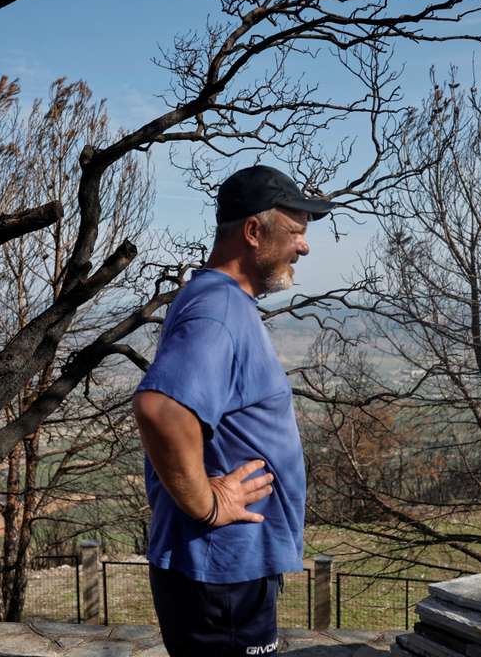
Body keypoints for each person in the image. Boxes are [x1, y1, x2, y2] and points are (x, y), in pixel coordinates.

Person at [132, 165, 335, 656]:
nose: (304, 247)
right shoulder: (218, 310)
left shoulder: (218, 301)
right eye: (295, 231)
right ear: (253, 232)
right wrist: (207, 503)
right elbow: (159, 408)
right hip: (220, 575)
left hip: (224, 570)